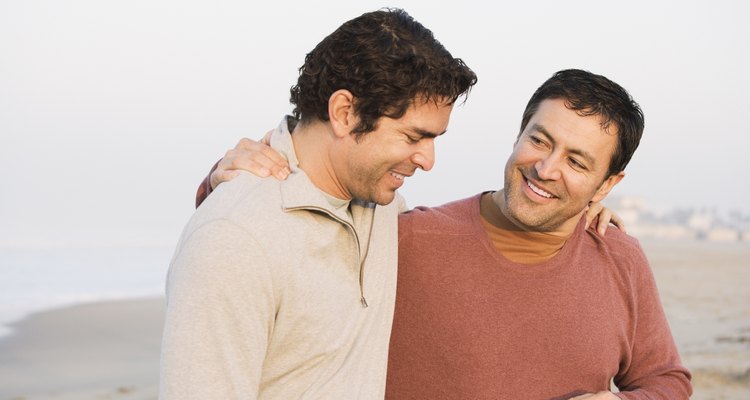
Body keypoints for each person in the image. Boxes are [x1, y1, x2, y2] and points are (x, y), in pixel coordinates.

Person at [198, 70, 692, 399]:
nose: (545, 167)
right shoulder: (406, 239)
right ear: (518, 136)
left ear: (607, 184)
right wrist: (226, 180)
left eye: (577, 162)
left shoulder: (620, 258)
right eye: (539, 140)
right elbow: (287, 235)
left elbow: (667, 380)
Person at [159, 8, 477, 399]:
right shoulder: (234, 238)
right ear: (345, 113)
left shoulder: (383, 207)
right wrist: (220, 201)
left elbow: (483, 228)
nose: (428, 161)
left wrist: (576, 211)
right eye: (413, 137)